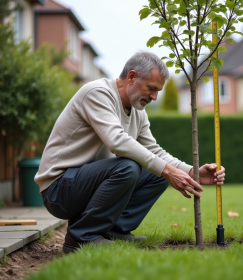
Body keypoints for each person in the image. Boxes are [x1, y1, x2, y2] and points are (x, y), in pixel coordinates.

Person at [35, 52, 225, 253]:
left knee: (156, 172)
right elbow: (116, 141)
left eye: (158, 91)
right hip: (59, 189)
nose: (154, 97)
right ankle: (81, 236)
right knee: (131, 166)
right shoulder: (97, 93)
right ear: (132, 77)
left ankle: (114, 230)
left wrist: (191, 172)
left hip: (83, 185)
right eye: (151, 88)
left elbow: (155, 152)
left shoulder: (138, 112)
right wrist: (167, 170)